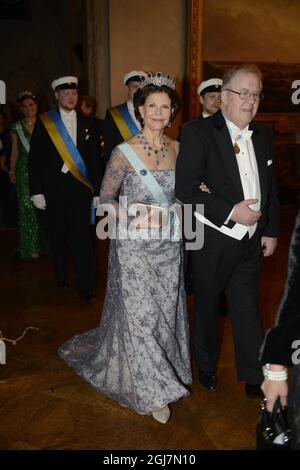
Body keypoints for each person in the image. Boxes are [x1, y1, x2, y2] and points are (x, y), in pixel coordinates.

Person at [58, 72, 192, 424]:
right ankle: (152, 392)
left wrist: (182, 207)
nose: (159, 113)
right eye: (153, 107)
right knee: (140, 314)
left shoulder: (178, 149)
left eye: (166, 107)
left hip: (169, 245)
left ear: (172, 110)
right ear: (140, 110)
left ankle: (165, 367)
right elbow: (103, 200)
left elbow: (183, 196)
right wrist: (135, 215)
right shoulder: (123, 153)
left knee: (163, 310)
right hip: (133, 246)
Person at [175, 64, 280, 398]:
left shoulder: (263, 135)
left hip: (251, 241)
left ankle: (252, 375)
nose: (250, 101)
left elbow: (270, 187)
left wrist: (271, 229)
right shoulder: (197, 133)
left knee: (247, 307)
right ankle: (205, 366)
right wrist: (232, 211)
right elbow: (186, 191)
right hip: (212, 240)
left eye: (256, 94)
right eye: (243, 93)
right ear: (223, 97)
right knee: (207, 306)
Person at [28, 76, 103, 301]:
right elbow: (35, 160)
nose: (71, 97)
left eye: (74, 94)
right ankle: (61, 275)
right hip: (53, 190)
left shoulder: (89, 123)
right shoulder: (45, 122)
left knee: (82, 238)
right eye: (66, 94)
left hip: (80, 190)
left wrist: (98, 192)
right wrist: (37, 191)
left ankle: (86, 284)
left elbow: (94, 161)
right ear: (57, 96)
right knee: (57, 236)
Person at [8, 91, 45, 259]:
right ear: (21, 109)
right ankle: (30, 246)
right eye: (25, 106)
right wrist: (12, 169)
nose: (29, 108)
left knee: (43, 207)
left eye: (31, 104)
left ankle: (44, 243)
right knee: (26, 207)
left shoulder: (45, 123)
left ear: (36, 106)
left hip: (43, 171)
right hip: (24, 171)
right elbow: (15, 151)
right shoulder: (16, 128)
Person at [103, 70, 147, 166]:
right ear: (127, 88)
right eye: (135, 86)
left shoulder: (153, 113)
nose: (139, 90)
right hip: (123, 169)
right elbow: (109, 149)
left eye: (142, 87)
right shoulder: (114, 114)